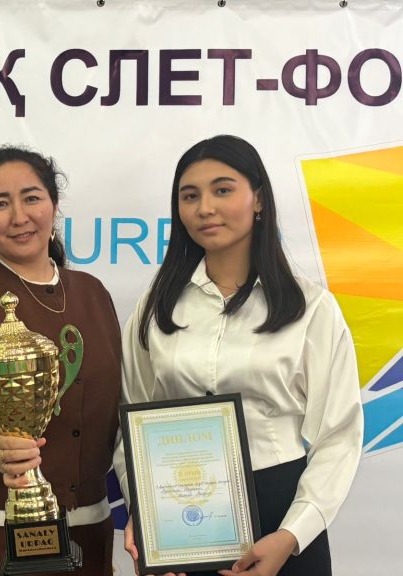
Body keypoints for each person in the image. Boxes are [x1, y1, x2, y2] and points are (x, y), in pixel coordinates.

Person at [115, 135, 363, 576]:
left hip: (281, 511)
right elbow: (131, 420)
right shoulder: (156, 306)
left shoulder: (310, 308)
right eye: (190, 196)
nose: (205, 208)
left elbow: (339, 434)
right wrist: (148, 515)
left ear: (259, 199)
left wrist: (292, 535)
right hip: (181, 512)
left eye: (223, 190)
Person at [0, 146, 121, 575]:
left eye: (31, 198)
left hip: (86, 525)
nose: (19, 217)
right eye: (0, 204)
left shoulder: (93, 293)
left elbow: (117, 404)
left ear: (54, 205)